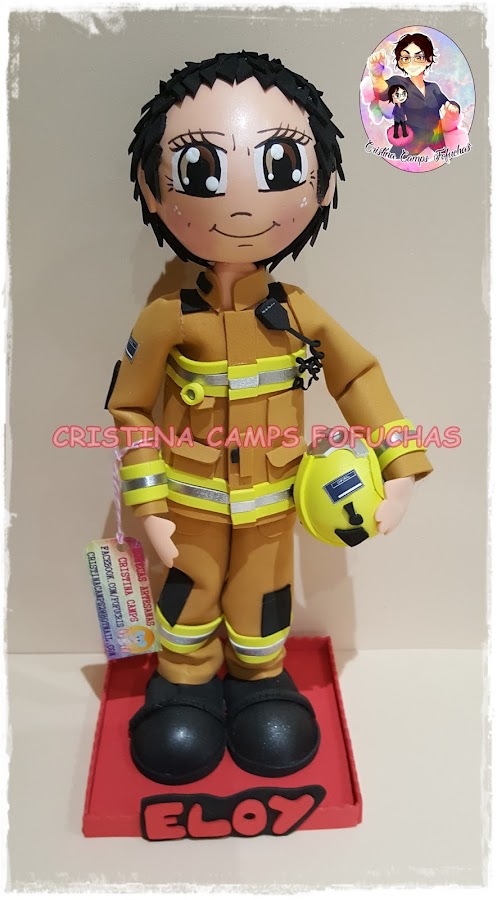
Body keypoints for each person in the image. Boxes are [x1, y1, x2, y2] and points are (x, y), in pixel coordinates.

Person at [107, 51, 432, 786]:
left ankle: (260, 682)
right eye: (201, 171)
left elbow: (356, 374)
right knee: (187, 598)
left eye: (281, 166)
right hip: (187, 510)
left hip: (272, 509)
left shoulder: (296, 312)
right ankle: (183, 685)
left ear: (320, 187)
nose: (243, 204)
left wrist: (400, 464)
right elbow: (128, 407)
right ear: (153, 191)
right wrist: (148, 506)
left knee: (263, 600)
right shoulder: (165, 317)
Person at [368, 32, 460, 155]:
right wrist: (376, 76)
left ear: (429, 59)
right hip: (408, 148)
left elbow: (447, 104)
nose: (412, 63)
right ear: (400, 62)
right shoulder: (398, 82)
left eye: (419, 57)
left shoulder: (433, 88)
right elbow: (384, 92)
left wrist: (453, 110)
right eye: (406, 58)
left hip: (436, 145)